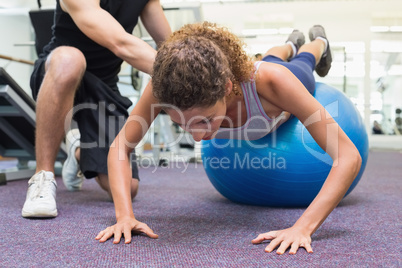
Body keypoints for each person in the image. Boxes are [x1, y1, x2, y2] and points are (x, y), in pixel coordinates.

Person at [96, 22, 362, 255]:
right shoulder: (162, 89)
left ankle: (318, 42)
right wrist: (124, 216)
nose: (199, 138)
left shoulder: (274, 83)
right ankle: (290, 44)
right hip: (259, 72)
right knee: (270, 57)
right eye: (182, 125)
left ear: (226, 88)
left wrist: (303, 228)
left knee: (302, 64)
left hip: (285, 83)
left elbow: (349, 156)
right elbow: (120, 146)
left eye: (205, 121)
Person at [21, 0, 171, 218]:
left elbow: (169, 45)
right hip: (59, 71)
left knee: (128, 188)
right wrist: (178, 72)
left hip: (104, 86)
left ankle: (78, 153)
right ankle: (43, 176)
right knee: (71, 59)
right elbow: (120, 43)